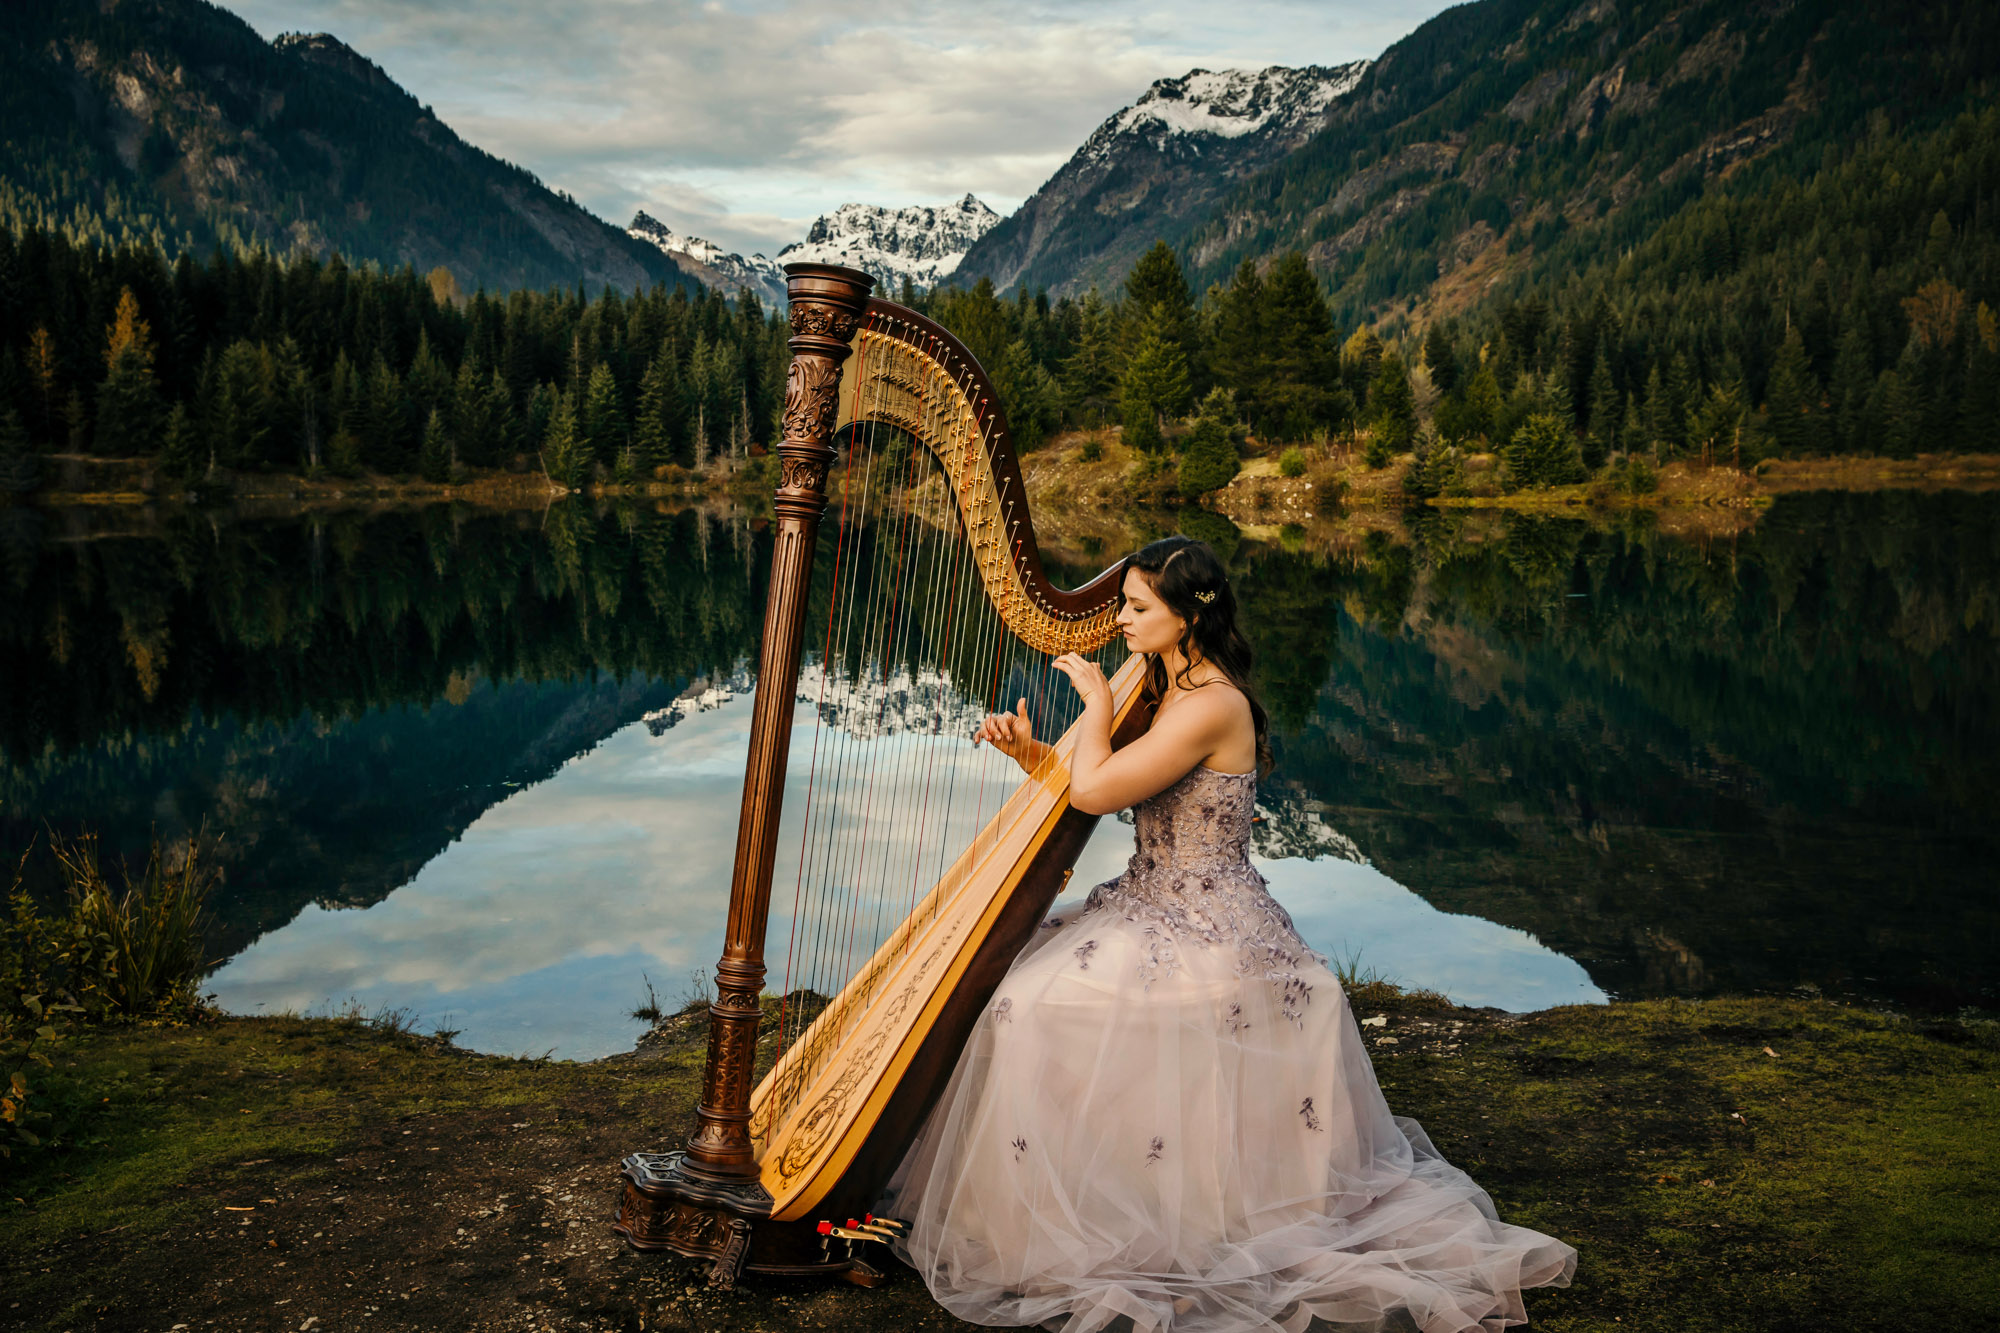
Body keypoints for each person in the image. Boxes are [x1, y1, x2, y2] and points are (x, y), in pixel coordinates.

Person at [877, 536, 1576, 1333]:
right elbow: (1094, 784)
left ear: (1188, 617)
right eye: (1124, 603)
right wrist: (1035, 750)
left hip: (1209, 924)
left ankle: (1118, 1217)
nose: (1122, 620)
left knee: (1033, 1007)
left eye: (1138, 607)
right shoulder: (1167, 683)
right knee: (1019, 990)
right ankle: (1064, 1200)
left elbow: (1101, 785)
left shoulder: (1211, 703)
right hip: (1145, 901)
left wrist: (1095, 711)